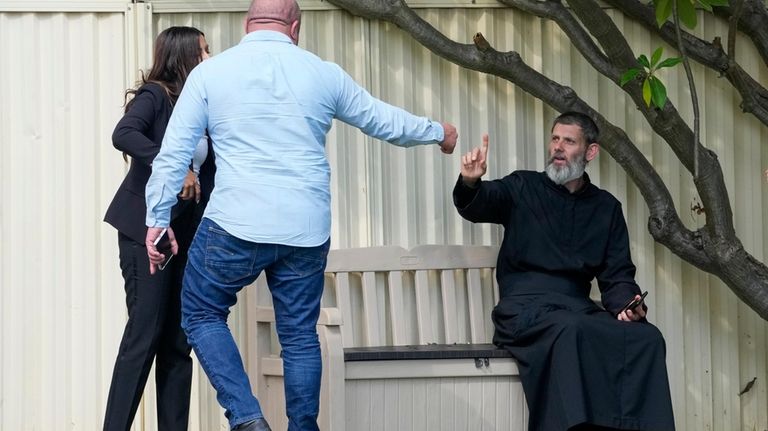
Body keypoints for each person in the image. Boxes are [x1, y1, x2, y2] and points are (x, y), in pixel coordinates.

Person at [142, 1, 458, 430]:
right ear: (295, 27)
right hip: (304, 229)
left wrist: (158, 221)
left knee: (199, 311)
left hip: (236, 222)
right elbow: (381, 120)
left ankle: (248, 419)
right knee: (298, 336)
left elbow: (173, 153)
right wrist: (438, 131)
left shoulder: (210, 74)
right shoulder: (322, 73)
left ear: (247, 25)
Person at [454, 112, 675, 430]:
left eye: (569, 141)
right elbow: (481, 202)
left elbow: (617, 276)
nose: (558, 147)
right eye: (554, 138)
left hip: (575, 308)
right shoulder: (522, 187)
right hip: (524, 309)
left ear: (590, 152)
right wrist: (471, 181)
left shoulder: (606, 208)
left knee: (647, 338)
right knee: (572, 330)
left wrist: (628, 304)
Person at [102, 26, 215, 431]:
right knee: (143, 335)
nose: (209, 57)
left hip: (186, 236)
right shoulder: (156, 95)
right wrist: (174, 165)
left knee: (176, 344)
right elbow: (124, 134)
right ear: (183, 56)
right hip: (142, 231)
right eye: (203, 51)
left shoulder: (202, 104)